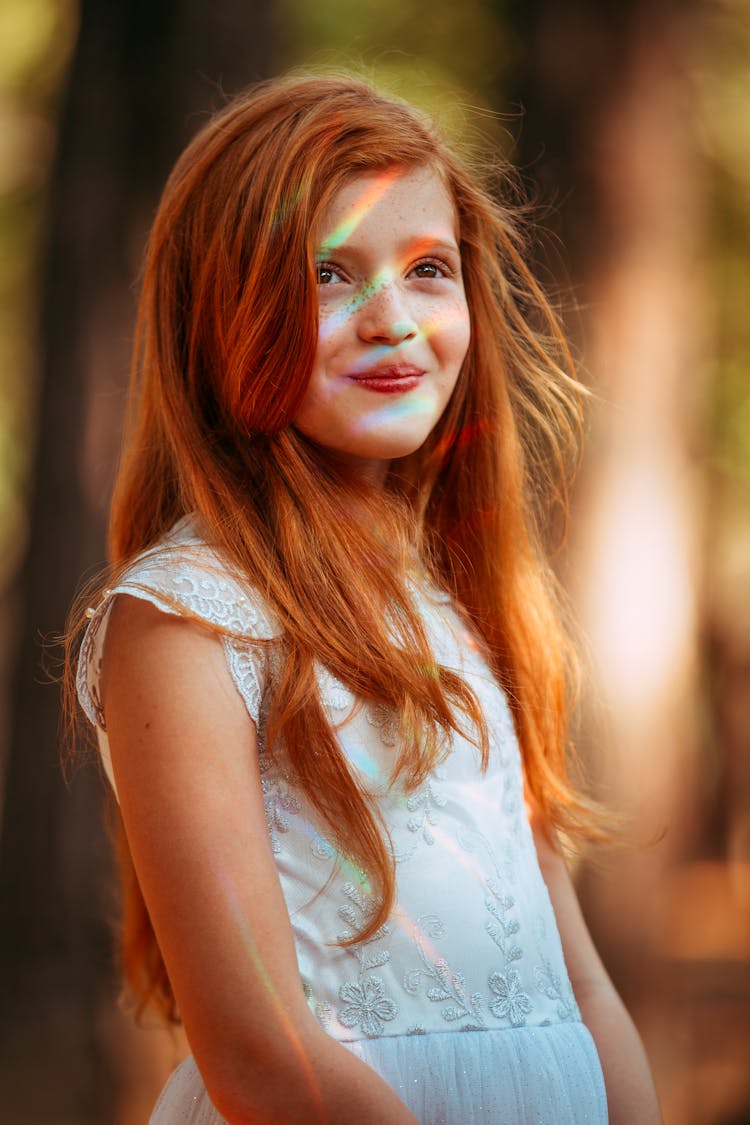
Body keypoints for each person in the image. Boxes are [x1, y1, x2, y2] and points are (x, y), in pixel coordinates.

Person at [69, 73, 661, 1124]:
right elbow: (260, 1052)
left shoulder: (464, 599)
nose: (392, 318)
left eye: (428, 269)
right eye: (330, 273)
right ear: (221, 312)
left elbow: (583, 984)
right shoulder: (190, 620)